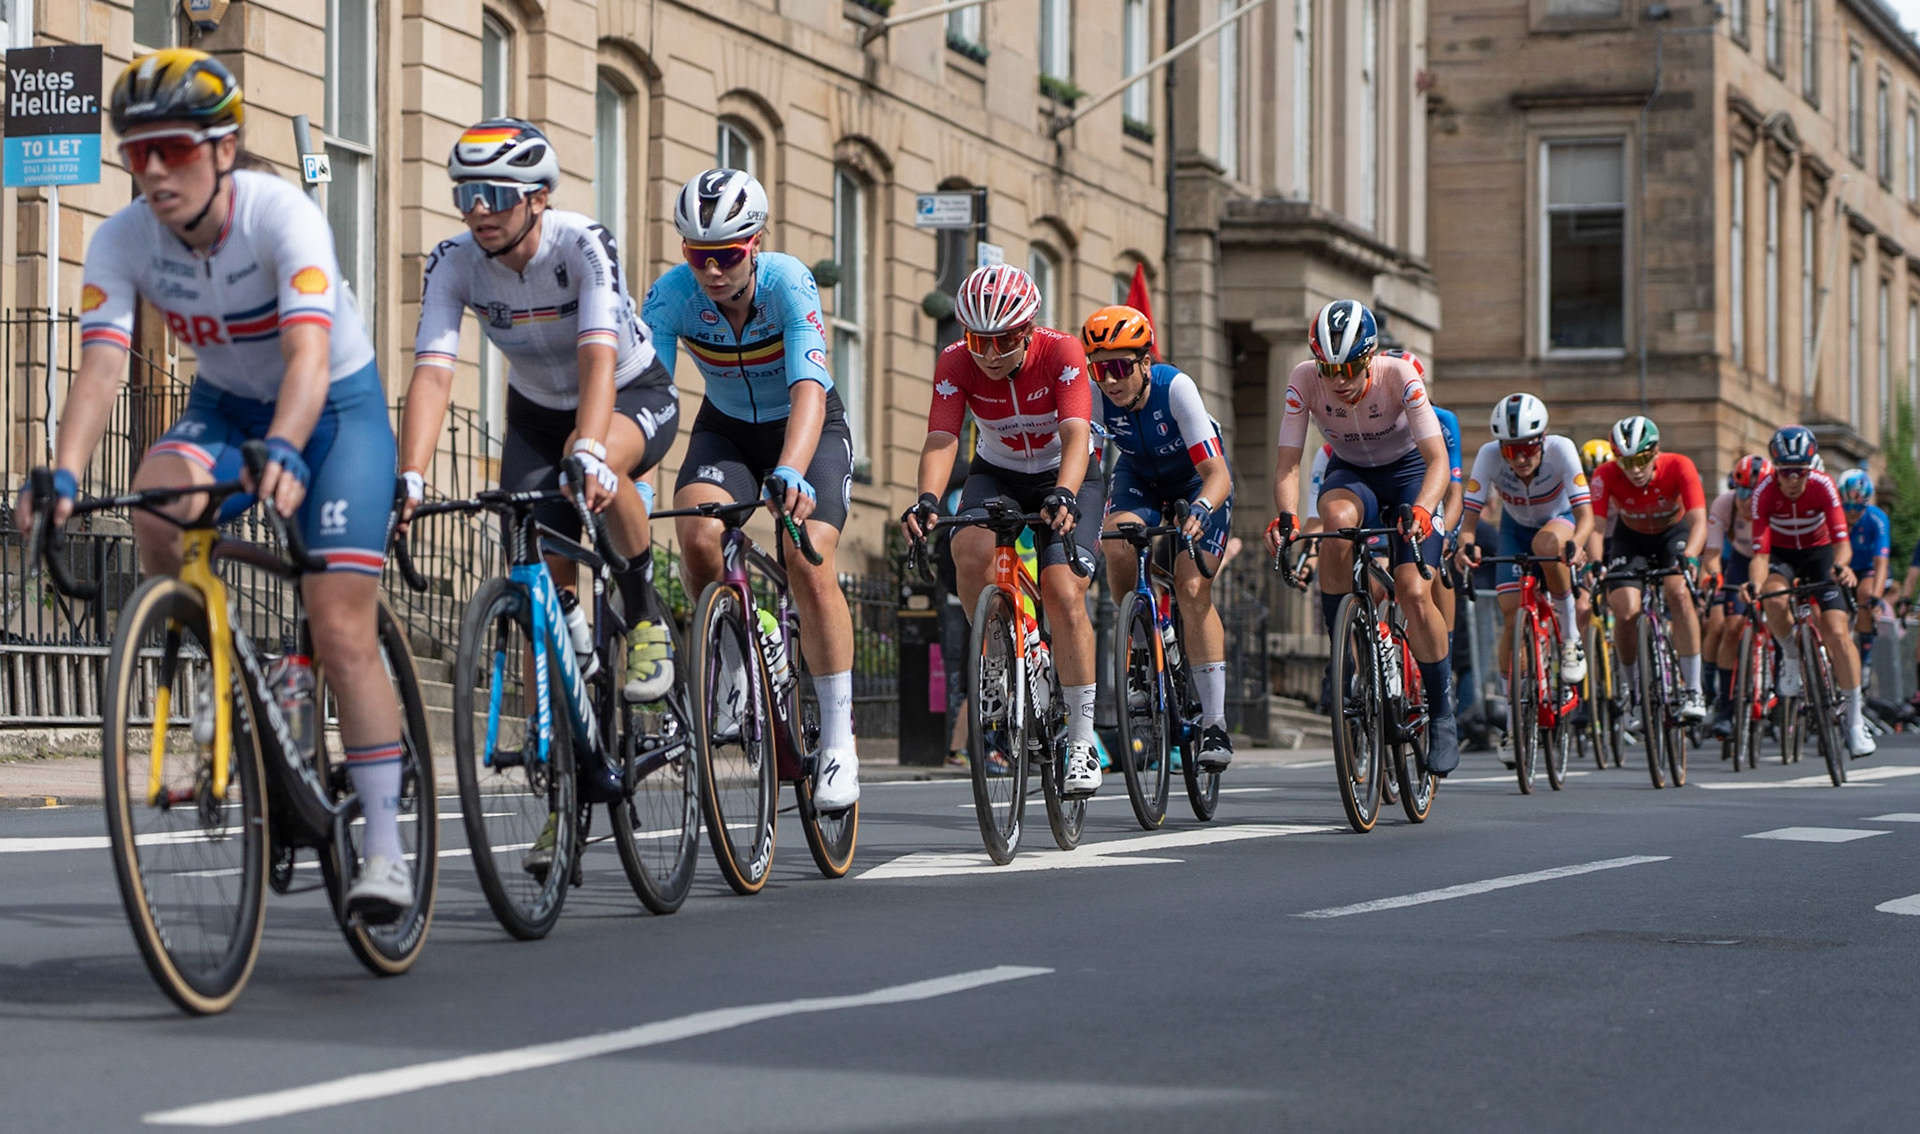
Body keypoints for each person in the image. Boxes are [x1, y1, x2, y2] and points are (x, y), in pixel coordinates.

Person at [17, 50, 411, 919]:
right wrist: (64, 471)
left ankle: (383, 846)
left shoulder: (282, 216)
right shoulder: (122, 239)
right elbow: (100, 365)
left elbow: (310, 357)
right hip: (227, 406)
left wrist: (286, 445)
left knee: (340, 620)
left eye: (176, 150)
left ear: (224, 150)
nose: (154, 171)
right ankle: (218, 661)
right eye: (137, 153)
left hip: (334, 410)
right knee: (159, 507)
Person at [398, 119, 679, 713]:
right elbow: (433, 370)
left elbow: (598, 356)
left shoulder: (580, 243)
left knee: (601, 466)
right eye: (464, 194)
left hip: (627, 390)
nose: (479, 211)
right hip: (534, 412)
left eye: (496, 195)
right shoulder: (453, 261)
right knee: (538, 564)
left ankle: (644, 613)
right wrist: (413, 474)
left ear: (538, 197)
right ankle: (566, 717)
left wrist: (589, 448)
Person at [644, 169, 861, 810]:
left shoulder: (790, 282)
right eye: (697, 255)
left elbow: (807, 392)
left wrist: (793, 469)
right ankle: (736, 668)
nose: (712, 270)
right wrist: (627, 471)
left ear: (756, 243)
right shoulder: (670, 297)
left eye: (728, 255)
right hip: (728, 432)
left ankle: (840, 742)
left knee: (806, 558)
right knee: (696, 531)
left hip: (809, 428)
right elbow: (651, 398)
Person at [900, 266, 1105, 794]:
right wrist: (925, 500)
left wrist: (1064, 492)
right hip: (1001, 472)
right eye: (978, 341)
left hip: (1067, 472)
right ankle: (994, 655)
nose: (989, 355)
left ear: (1029, 330)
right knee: (966, 544)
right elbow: (943, 438)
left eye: (1005, 341)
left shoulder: (1061, 352)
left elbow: (1076, 432)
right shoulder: (954, 361)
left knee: (1064, 592)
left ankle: (1081, 741)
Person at [1265, 299, 1458, 775]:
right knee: (1334, 521)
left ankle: (1444, 711)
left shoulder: (1399, 376)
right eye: (1330, 369)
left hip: (1410, 473)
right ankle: (1344, 643)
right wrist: (1287, 516)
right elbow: (1289, 463)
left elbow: (1437, 461)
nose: (1340, 380)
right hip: (1352, 471)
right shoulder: (1302, 378)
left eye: (1351, 367)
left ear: (1370, 358)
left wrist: (1423, 510)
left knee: (1414, 590)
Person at [1078, 305, 1236, 770]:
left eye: (1120, 367)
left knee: (1191, 588)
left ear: (1145, 363)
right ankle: (1146, 644)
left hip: (1196, 481)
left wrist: (1204, 509)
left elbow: (1217, 474)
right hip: (1140, 477)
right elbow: (1086, 461)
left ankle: (1214, 721)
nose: (1109, 380)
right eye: (1099, 368)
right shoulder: (1095, 393)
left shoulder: (1175, 388)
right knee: (1115, 540)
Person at [1454, 394, 1593, 703]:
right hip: (1514, 529)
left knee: (1546, 542)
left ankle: (1570, 641)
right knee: (1511, 617)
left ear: (1543, 440)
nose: (1519, 459)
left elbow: (1586, 516)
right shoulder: (1488, 455)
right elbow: (1468, 523)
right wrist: (1466, 546)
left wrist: (1577, 544)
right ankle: (1514, 711)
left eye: (1528, 448)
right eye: (1511, 450)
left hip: (1560, 521)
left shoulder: (1562, 449)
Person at [1745, 426, 1875, 756]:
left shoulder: (1824, 486)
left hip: (1820, 554)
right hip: (1782, 555)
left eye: (1799, 471)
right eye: (1785, 471)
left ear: (1809, 468)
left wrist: (1843, 567)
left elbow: (1842, 545)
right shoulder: (1763, 492)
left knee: (1836, 633)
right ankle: (1790, 654)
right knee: (1773, 597)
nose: (1792, 479)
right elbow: (1760, 554)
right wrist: (1756, 586)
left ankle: (1856, 721)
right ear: (1776, 468)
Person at [1589, 415, 1709, 726]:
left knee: (1679, 593)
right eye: (1625, 462)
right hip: (1632, 539)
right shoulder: (1604, 475)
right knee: (1625, 610)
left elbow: (1698, 520)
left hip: (1674, 535)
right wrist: (1596, 562)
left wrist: (1692, 557)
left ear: (1655, 451)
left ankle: (1693, 689)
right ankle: (1633, 690)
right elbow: (1596, 527)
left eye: (1642, 459)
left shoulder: (1680, 465)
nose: (1635, 469)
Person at [1703, 455, 1769, 738]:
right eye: (1742, 492)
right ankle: (1725, 707)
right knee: (1731, 627)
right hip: (1742, 562)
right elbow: (1713, 554)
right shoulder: (1724, 504)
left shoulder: (1774, 506)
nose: (1746, 502)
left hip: (1773, 559)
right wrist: (1716, 577)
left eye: (1753, 495)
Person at [1839, 468, 1891, 668]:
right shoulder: (1834, 515)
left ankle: (1865, 659)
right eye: (1848, 505)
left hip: (1867, 569)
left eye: (1858, 507)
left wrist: (1876, 597)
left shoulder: (1877, 519)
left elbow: (1881, 561)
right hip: (1842, 568)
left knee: (1866, 594)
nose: (1852, 511)